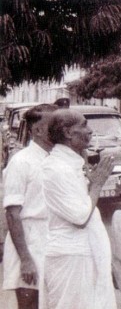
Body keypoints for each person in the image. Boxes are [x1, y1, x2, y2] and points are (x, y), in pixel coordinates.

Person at [40, 109, 116, 309]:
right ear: (67, 133)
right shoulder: (56, 168)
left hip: (81, 253)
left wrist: (91, 184)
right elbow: (80, 217)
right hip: (70, 257)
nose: (90, 131)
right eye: (83, 125)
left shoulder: (69, 164)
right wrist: (98, 184)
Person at [2, 104, 58, 309]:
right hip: (29, 243)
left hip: (52, 241)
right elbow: (13, 214)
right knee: (30, 302)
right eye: (55, 124)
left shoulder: (59, 159)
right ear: (38, 130)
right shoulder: (21, 162)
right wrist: (25, 259)